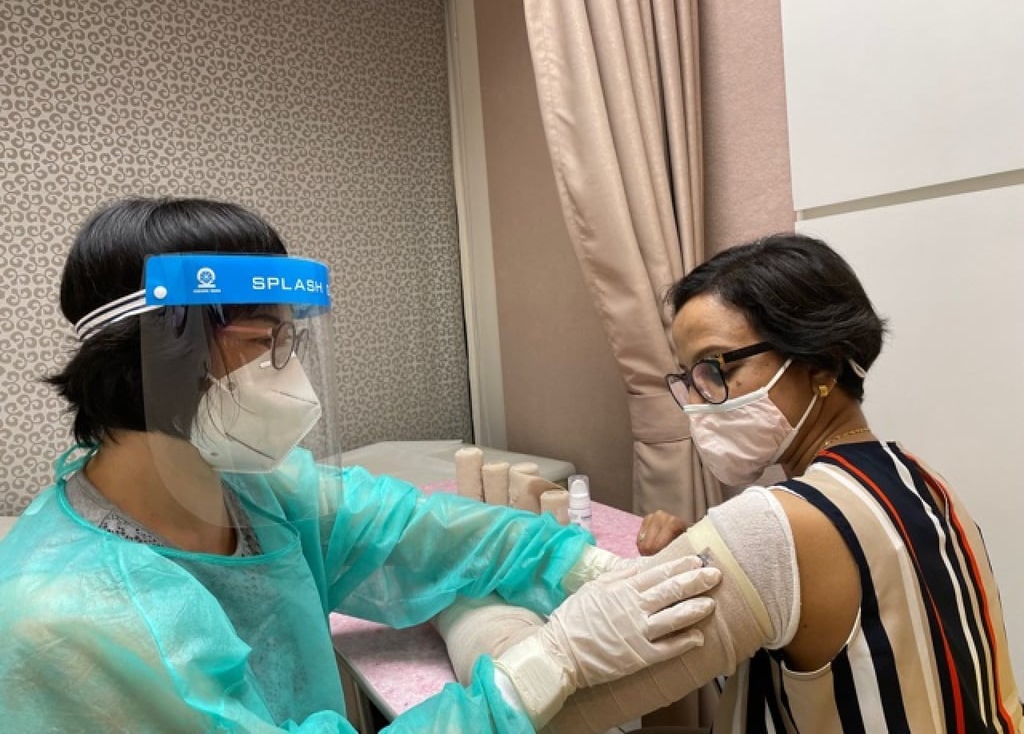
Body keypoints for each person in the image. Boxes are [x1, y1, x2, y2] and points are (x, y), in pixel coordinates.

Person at [0, 197, 722, 733]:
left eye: (295, 344)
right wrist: (548, 663)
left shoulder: (255, 495)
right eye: (263, 345)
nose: (293, 382)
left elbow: (421, 531)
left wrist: (580, 567)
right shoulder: (77, 621)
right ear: (156, 353)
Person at [433, 233, 1022, 734]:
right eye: (689, 378)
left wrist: (454, 593)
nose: (699, 404)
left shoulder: (778, 525)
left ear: (820, 363)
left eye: (718, 368)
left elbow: (540, 710)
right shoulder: (924, 481)